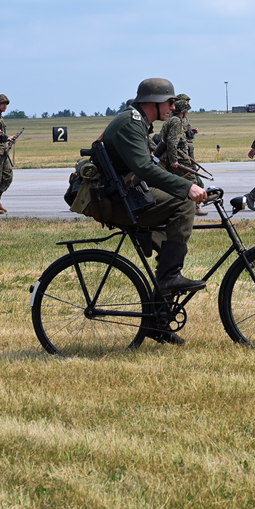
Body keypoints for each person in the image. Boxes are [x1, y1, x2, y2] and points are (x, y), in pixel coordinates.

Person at [101, 79, 209, 341]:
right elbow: (144, 169)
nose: (173, 107)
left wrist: (185, 184)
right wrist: (187, 188)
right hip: (120, 201)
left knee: (171, 245)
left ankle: (157, 321)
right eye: (170, 102)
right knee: (183, 205)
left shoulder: (136, 121)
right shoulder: (130, 123)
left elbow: (151, 165)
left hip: (128, 195)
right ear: (154, 102)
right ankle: (170, 278)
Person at [165, 94, 207, 216]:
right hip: (179, 154)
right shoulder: (176, 121)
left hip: (181, 152)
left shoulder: (173, 120)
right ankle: (194, 207)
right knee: (191, 180)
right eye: (186, 110)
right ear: (182, 111)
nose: (188, 112)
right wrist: (174, 160)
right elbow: (172, 142)